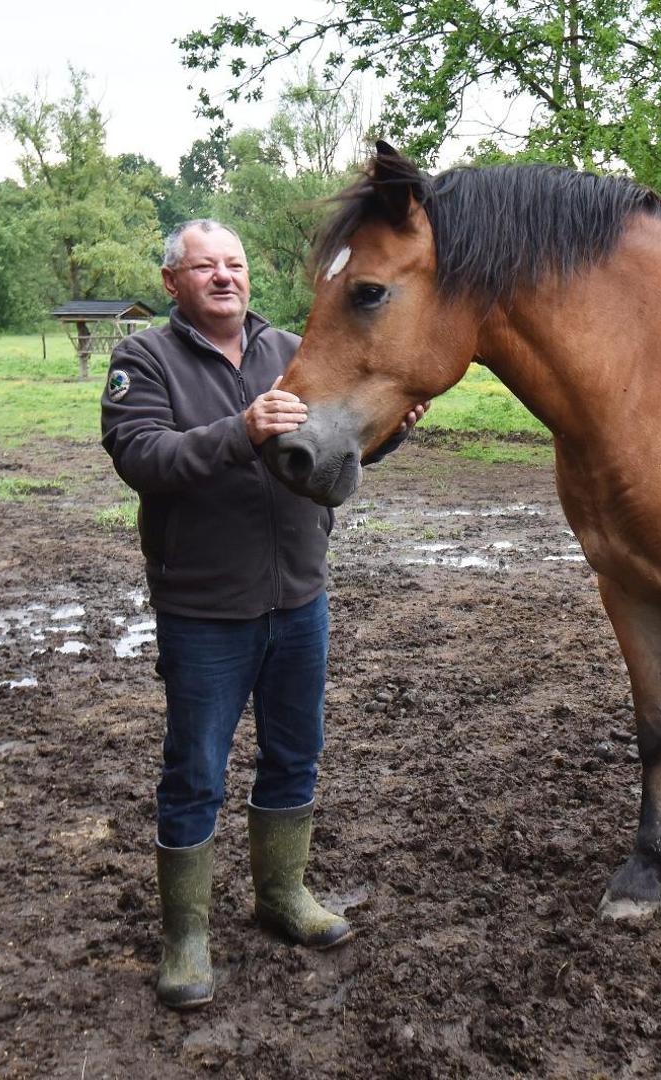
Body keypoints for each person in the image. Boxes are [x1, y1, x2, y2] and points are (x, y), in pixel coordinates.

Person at [100, 219, 426, 1009]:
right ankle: (186, 937)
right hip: (205, 608)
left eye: (235, 264)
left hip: (299, 597)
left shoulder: (289, 349)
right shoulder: (144, 359)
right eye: (204, 266)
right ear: (173, 280)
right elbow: (142, 458)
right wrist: (240, 430)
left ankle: (282, 895)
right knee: (195, 773)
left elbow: (321, 447)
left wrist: (384, 443)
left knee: (294, 755)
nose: (224, 277)